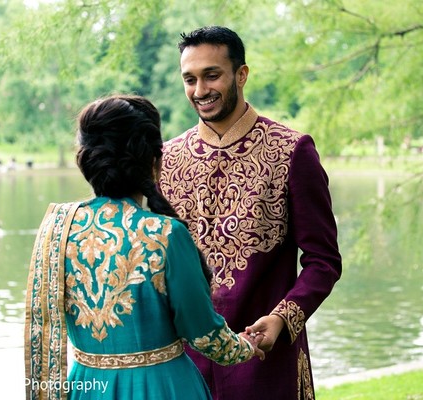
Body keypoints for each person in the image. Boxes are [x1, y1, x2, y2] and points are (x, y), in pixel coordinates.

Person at [24, 94, 265, 400]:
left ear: (85, 158)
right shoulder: (165, 234)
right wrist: (247, 346)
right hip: (162, 387)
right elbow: (206, 336)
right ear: (153, 160)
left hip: (87, 388)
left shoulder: (57, 229)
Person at [159, 26, 343, 399]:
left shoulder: (291, 151)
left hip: (266, 359)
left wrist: (282, 319)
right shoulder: (166, 160)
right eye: (189, 79)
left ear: (241, 75)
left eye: (212, 75)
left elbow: (323, 261)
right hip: (184, 365)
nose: (200, 90)